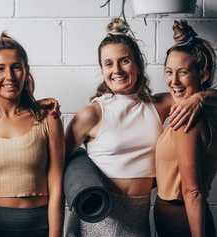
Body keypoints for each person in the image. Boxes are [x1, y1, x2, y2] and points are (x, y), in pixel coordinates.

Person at [64, 18, 216, 237]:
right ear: (101, 69)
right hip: (99, 216)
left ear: (138, 63)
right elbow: (56, 162)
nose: (116, 70)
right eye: (108, 63)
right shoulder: (92, 113)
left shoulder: (159, 105)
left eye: (124, 61)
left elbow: (197, 92)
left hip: (139, 220)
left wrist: (200, 97)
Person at [0, 32, 64, 237]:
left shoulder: (48, 118)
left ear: (26, 72)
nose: (10, 76)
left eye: (16, 67)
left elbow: (57, 185)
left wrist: (56, 234)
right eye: (0, 69)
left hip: (39, 225)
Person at [154, 20, 217, 237]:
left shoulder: (186, 119)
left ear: (203, 74)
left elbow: (193, 192)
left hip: (180, 220)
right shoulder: (205, 109)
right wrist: (202, 95)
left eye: (183, 72)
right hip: (186, 217)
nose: (173, 81)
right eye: (169, 72)